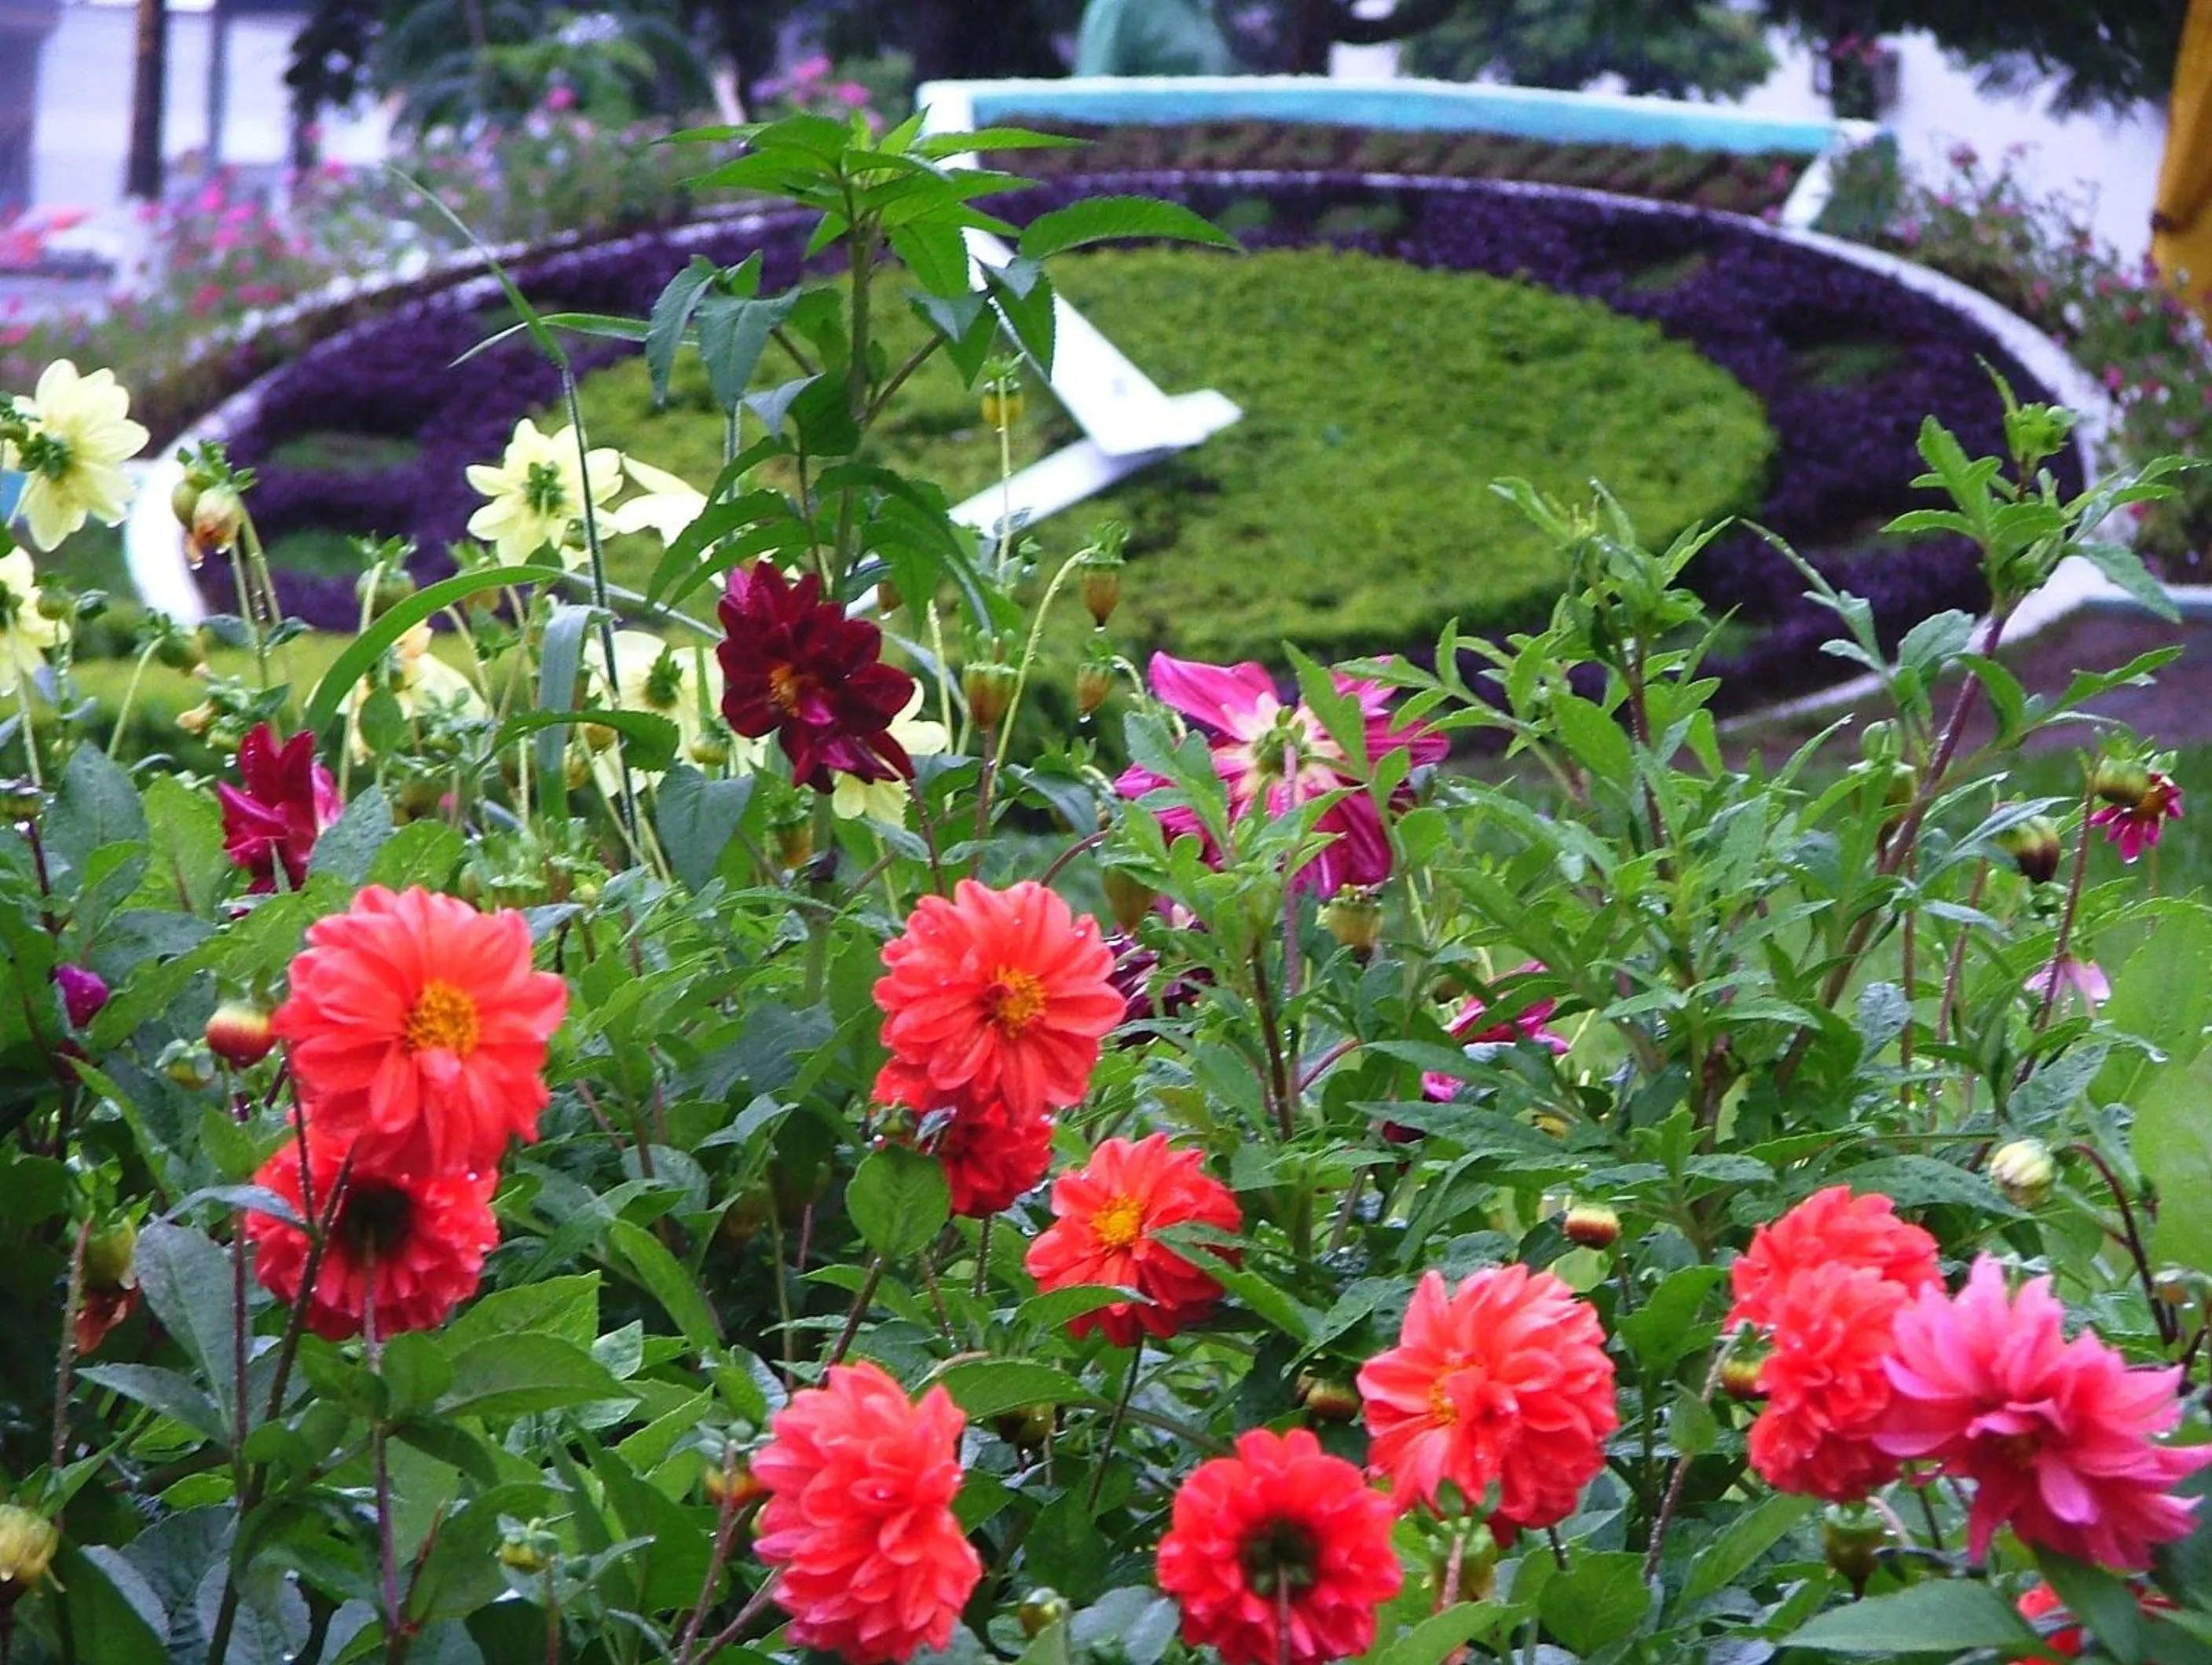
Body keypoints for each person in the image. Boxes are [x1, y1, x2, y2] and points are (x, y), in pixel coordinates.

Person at [1074, 0, 1236, 76]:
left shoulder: (1200, 8)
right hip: (1142, 140)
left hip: (1208, 139)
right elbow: (1089, 98)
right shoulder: (1120, 6)